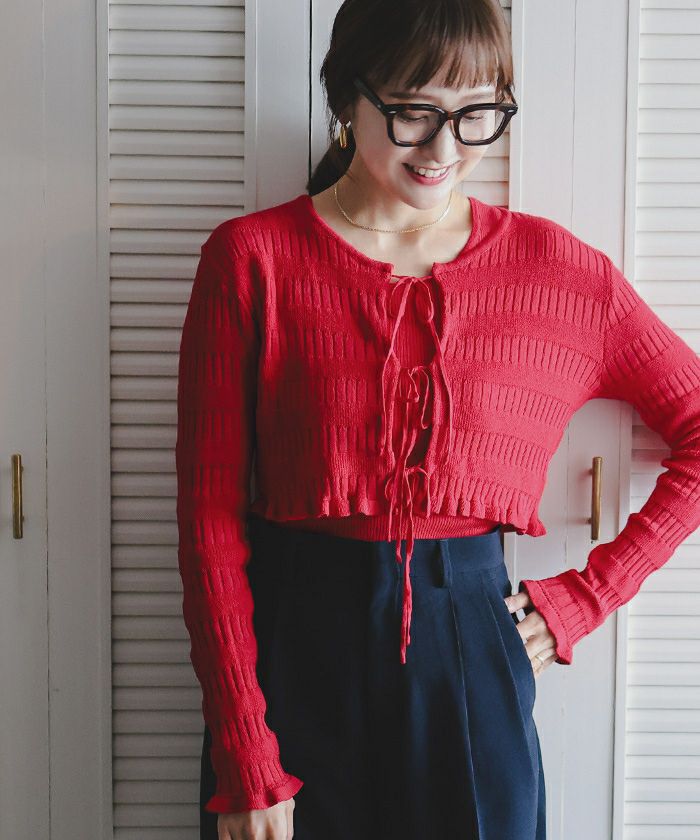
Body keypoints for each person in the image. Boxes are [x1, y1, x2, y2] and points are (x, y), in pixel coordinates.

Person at [175, 1, 700, 839]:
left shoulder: (558, 274)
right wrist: (245, 753)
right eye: (415, 112)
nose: (445, 148)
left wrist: (583, 599)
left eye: (477, 113)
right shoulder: (252, 261)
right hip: (289, 666)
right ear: (348, 96)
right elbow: (208, 521)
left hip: (475, 653)